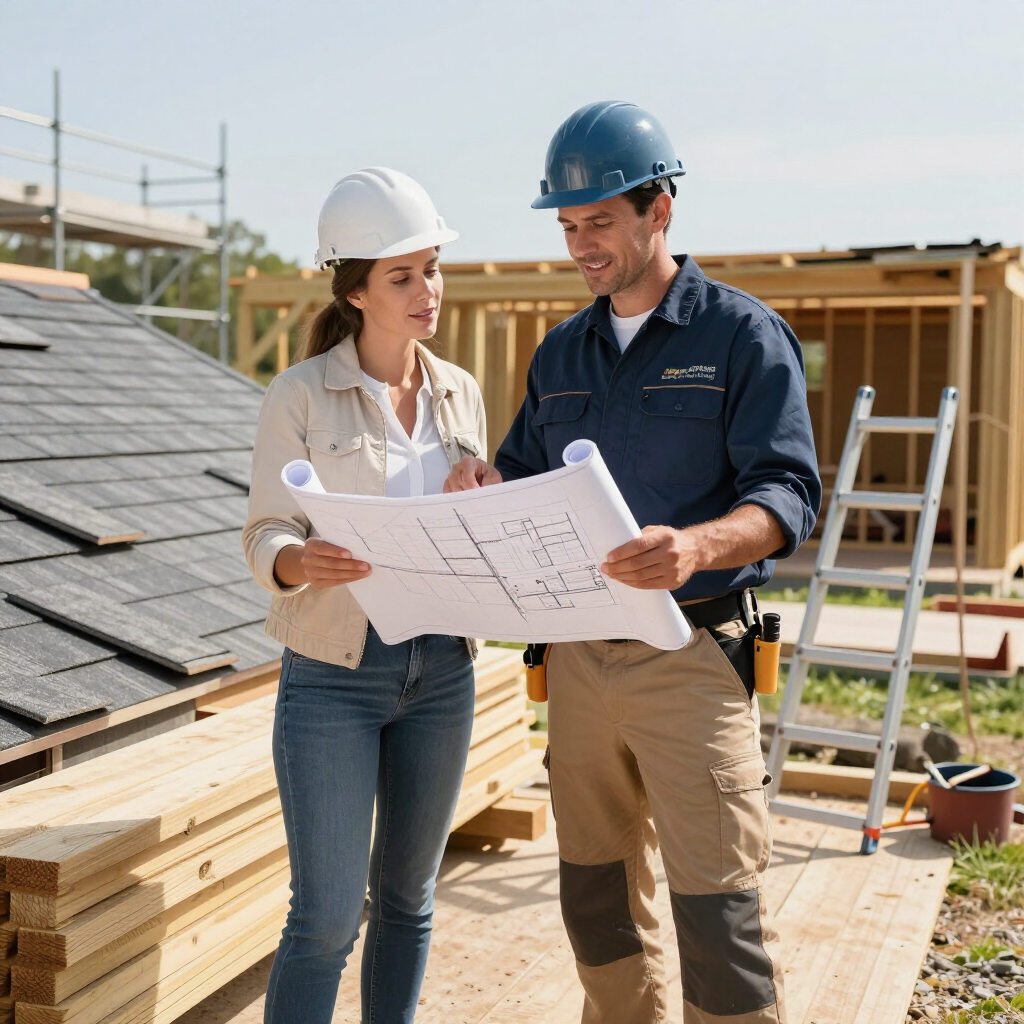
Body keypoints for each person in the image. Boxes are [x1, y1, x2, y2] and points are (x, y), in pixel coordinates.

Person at [445, 102, 821, 1024]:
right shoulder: (563, 350)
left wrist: (695, 546)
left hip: (693, 658)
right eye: (570, 226)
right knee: (597, 900)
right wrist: (485, 487)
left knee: (716, 911)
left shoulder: (740, 336)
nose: (583, 245)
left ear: (661, 210)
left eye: (600, 221)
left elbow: (787, 494)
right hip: (577, 663)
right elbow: (529, 481)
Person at [243, 167, 487, 1024]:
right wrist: (300, 562)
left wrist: (479, 508)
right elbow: (264, 533)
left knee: (410, 900)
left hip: (442, 675)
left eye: (432, 268)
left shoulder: (461, 392)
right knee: (324, 919)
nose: (429, 291)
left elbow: (472, 540)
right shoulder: (300, 394)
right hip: (333, 676)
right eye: (403, 276)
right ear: (355, 292)